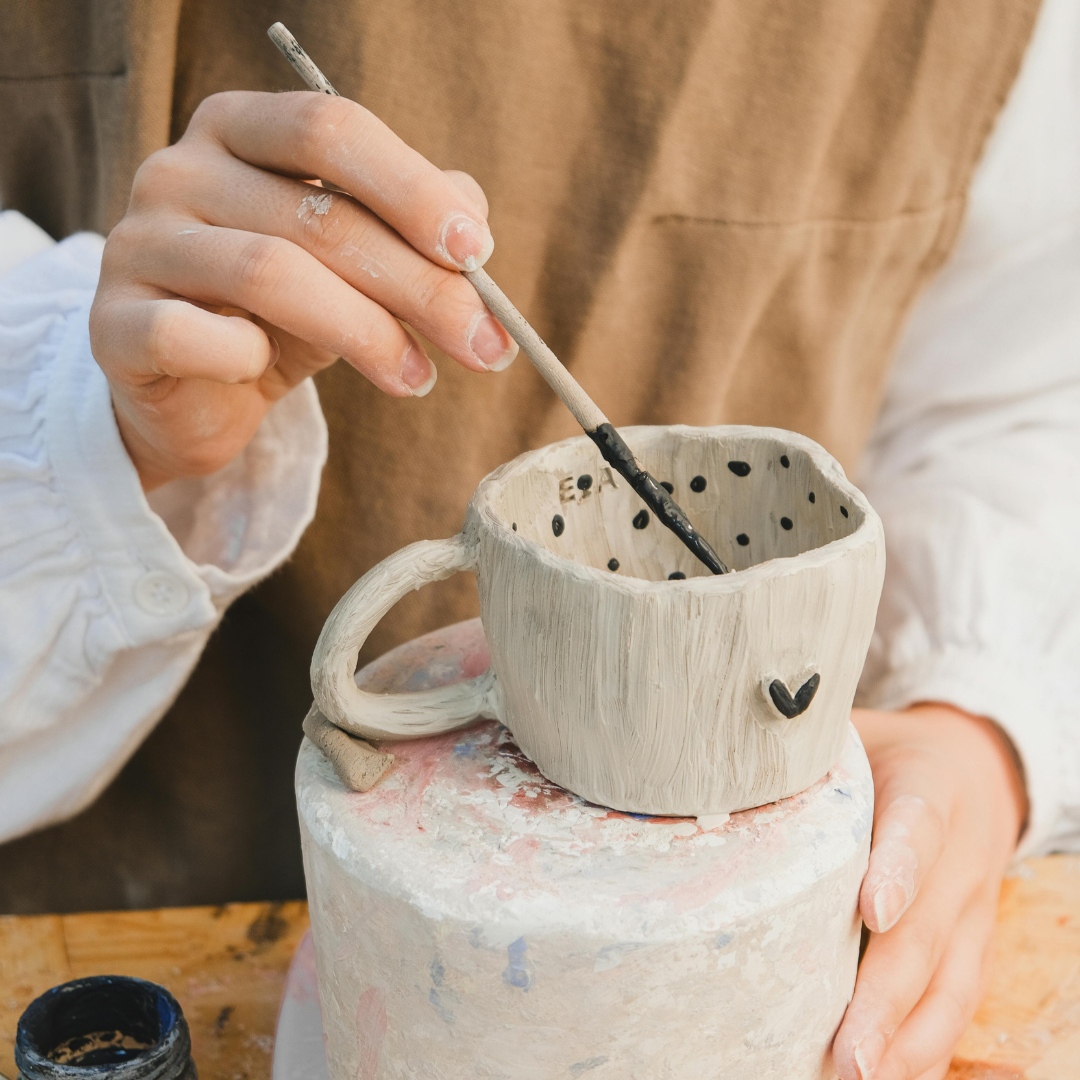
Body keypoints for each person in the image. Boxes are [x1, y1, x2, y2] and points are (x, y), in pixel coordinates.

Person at [1, 0, 1078, 1077]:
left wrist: (976, 718)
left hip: (784, 910)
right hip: (151, 910)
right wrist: (105, 432)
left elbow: (1016, 397)